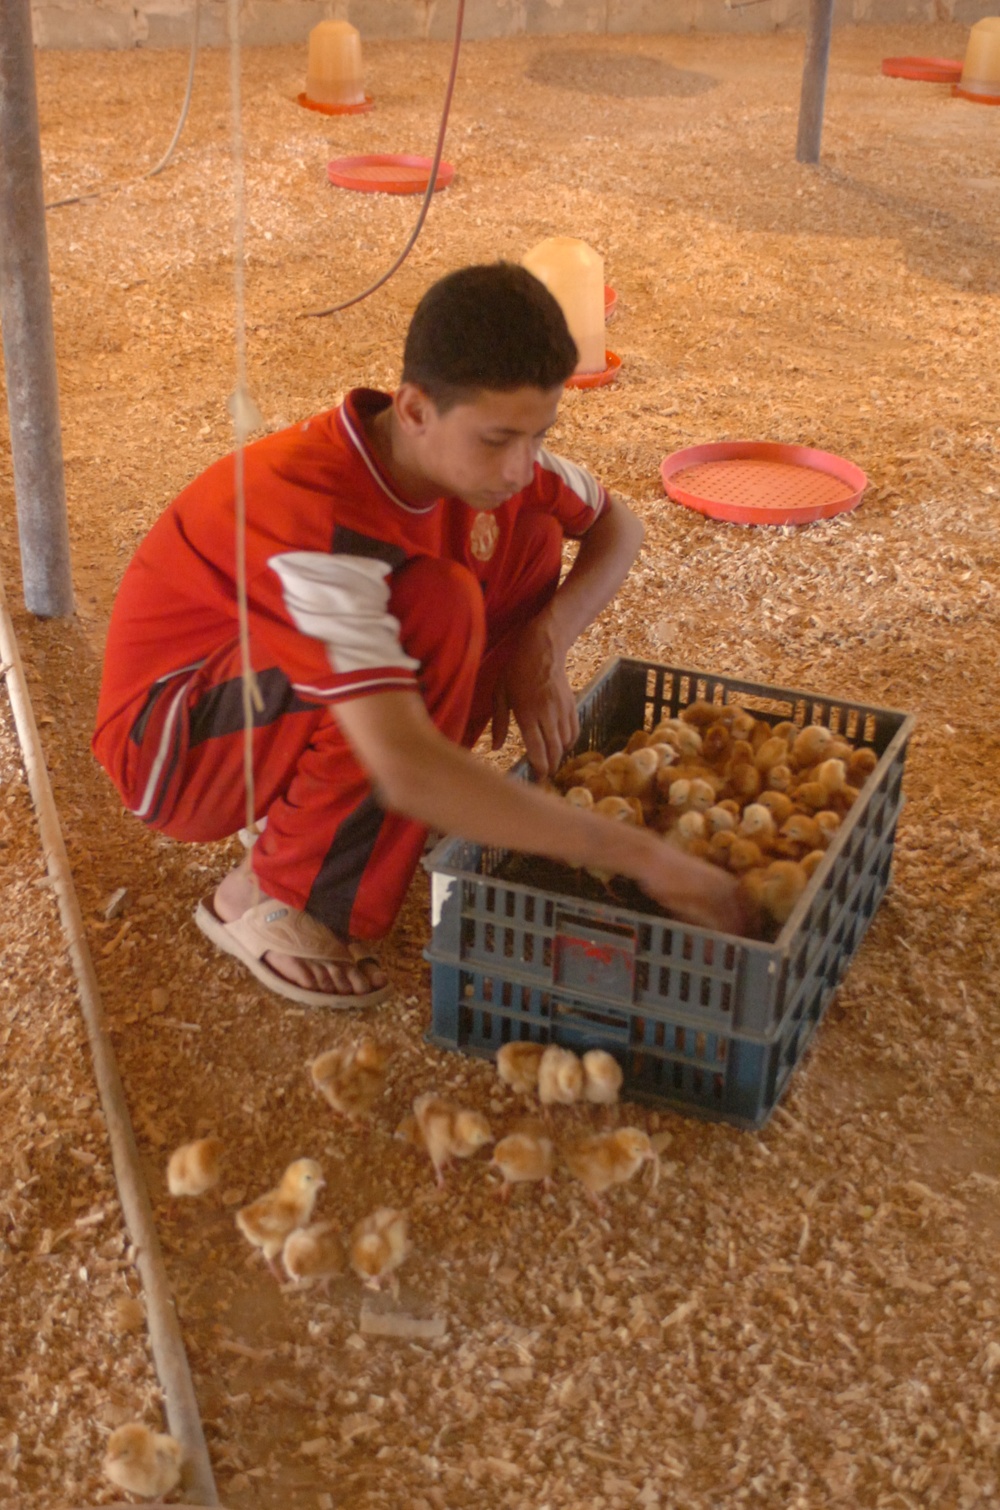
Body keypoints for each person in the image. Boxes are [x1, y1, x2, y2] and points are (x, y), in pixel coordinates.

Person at [93, 263, 742, 1009]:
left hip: (268, 700)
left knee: (527, 534)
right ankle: (268, 896)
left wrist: (544, 643)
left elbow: (618, 527)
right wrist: (645, 859)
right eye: (499, 439)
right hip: (174, 745)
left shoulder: (484, 455)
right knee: (435, 603)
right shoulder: (314, 514)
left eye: (538, 436)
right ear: (413, 410)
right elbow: (402, 762)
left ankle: (332, 818)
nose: (519, 464)